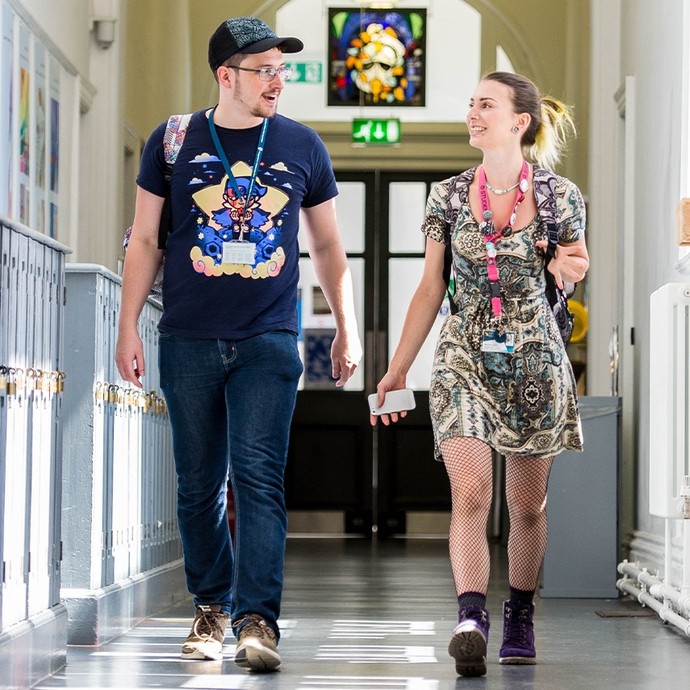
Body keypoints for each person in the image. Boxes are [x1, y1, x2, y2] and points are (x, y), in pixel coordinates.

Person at [115, 16, 362, 673]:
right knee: (198, 487)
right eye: (264, 70)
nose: (277, 81)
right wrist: (125, 325)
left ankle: (258, 621)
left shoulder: (303, 145)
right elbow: (144, 240)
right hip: (189, 336)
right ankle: (211, 606)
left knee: (258, 480)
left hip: (269, 336)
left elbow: (329, 245)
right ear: (227, 76)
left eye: (283, 69)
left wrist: (345, 323)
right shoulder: (174, 141)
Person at [370, 71, 588, 677]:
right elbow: (430, 288)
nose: (473, 113)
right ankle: (471, 617)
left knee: (528, 508)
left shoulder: (558, 195)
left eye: (485, 105)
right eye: (471, 105)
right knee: (469, 493)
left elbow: (576, 263)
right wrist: (397, 369)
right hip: (464, 350)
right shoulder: (445, 195)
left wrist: (569, 264)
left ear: (519, 121)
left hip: (534, 356)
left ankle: (519, 611)